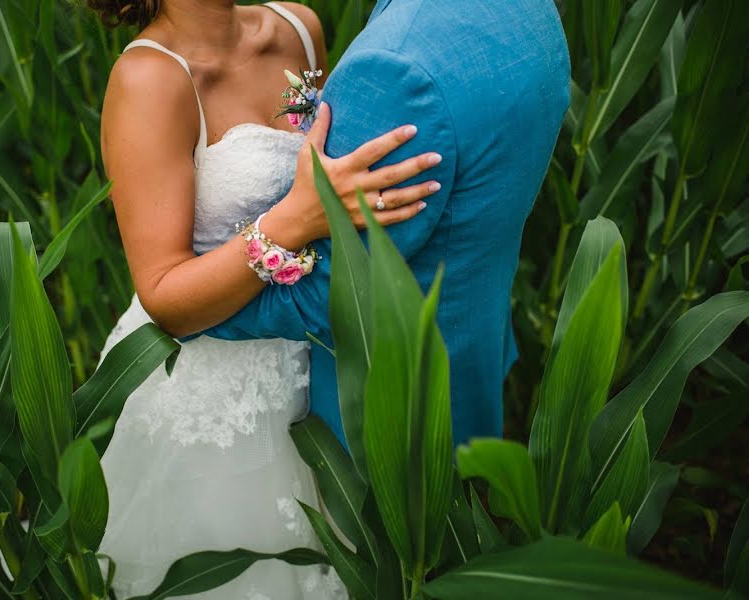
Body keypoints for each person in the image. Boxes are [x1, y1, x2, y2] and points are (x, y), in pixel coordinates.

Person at [88, 0, 442, 597]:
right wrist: (293, 222)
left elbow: (326, 167)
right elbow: (165, 298)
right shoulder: (148, 79)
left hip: (321, 363)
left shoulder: (299, 28)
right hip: (211, 400)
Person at [199, 0, 571, 451]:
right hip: (469, 350)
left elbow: (333, 296)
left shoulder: (396, 68)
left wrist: (183, 301)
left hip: (386, 412)